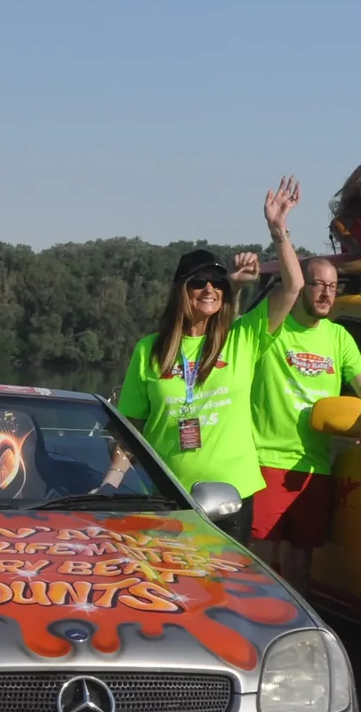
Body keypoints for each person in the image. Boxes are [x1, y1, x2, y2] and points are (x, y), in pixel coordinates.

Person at [108, 179, 304, 534]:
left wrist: (278, 231)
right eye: (199, 282)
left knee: (227, 591)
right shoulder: (150, 349)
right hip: (168, 498)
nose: (209, 288)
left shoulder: (241, 338)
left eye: (217, 282)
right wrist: (111, 481)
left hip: (233, 496)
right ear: (181, 290)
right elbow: (132, 428)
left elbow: (293, 287)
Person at [248, 254, 361, 586]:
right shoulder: (272, 325)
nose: (326, 294)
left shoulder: (338, 337)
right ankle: (257, 633)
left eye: (333, 287)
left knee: (299, 570)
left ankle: (297, 637)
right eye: (318, 285)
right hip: (265, 461)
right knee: (261, 569)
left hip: (314, 468)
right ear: (300, 287)